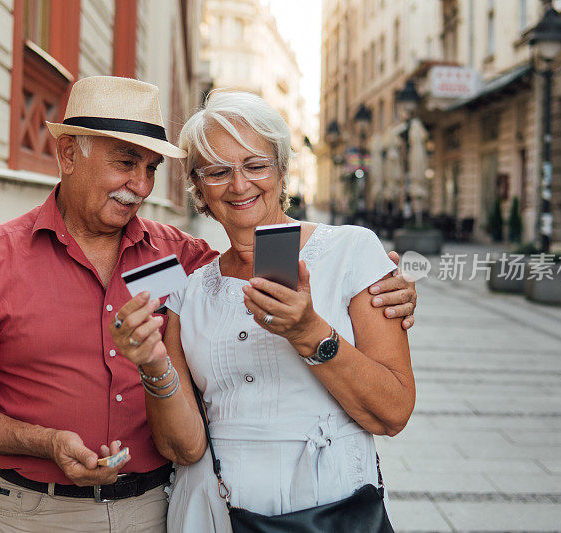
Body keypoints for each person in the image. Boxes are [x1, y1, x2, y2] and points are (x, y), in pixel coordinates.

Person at [0, 77, 417, 533]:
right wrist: (45, 443)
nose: (142, 186)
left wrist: (384, 284)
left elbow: (263, 274)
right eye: (125, 163)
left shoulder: (176, 259)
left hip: (159, 506)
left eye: (150, 167)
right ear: (67, 155)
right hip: (40, 512)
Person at [112, 91, 415, 532]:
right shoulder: (189, 288)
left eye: (255, 165)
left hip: (327, 508)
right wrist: (152, 364)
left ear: (280, 169)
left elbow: (393, 413)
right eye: (218, 171)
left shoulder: (353, 250)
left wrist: (310, 332)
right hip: (213, 511)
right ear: (198, 187)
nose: (239, 185)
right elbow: (184, 447)